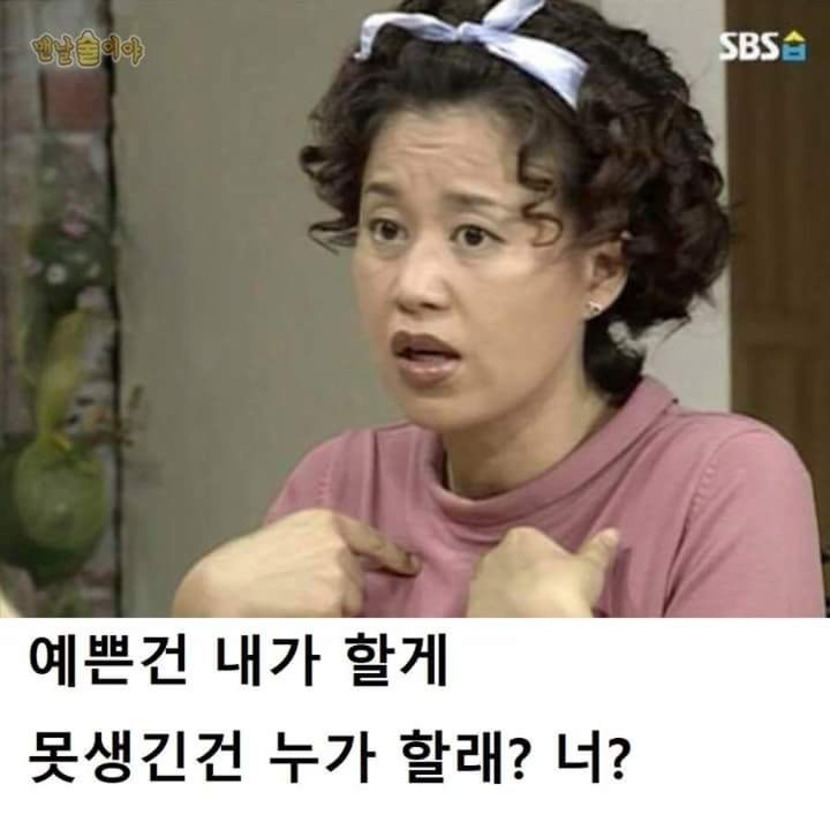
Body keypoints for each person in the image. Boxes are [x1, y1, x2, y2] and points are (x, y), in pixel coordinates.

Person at [172, 0, 824, 618]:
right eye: (387, 228)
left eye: (474, 235)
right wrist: (200, 629)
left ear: (602, 268)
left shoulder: (722, 484)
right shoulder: (337, 487)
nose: (413, 287)